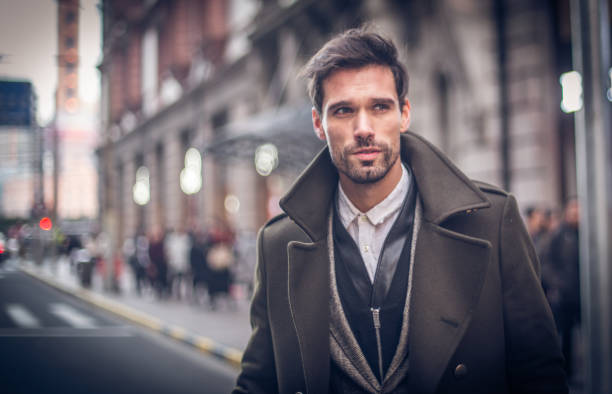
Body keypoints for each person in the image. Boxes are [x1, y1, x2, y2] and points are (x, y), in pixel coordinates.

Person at [233, 28, 567, 393]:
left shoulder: (490, 222)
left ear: (404, 113)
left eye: (380, 107)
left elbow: (540, 373)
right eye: (343, 111)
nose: (364, 129)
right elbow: (258, 382)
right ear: (319, 124)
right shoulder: (279, 242)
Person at [545, 198, 581, 379]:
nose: (576, 213)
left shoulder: (586, 232)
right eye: (574, 209)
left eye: (579, 210)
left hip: (584, 294)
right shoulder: (559, 234)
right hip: (566, 294)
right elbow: (547, 263)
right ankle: (569, 372)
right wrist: (559, 284)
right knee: (566, 335)